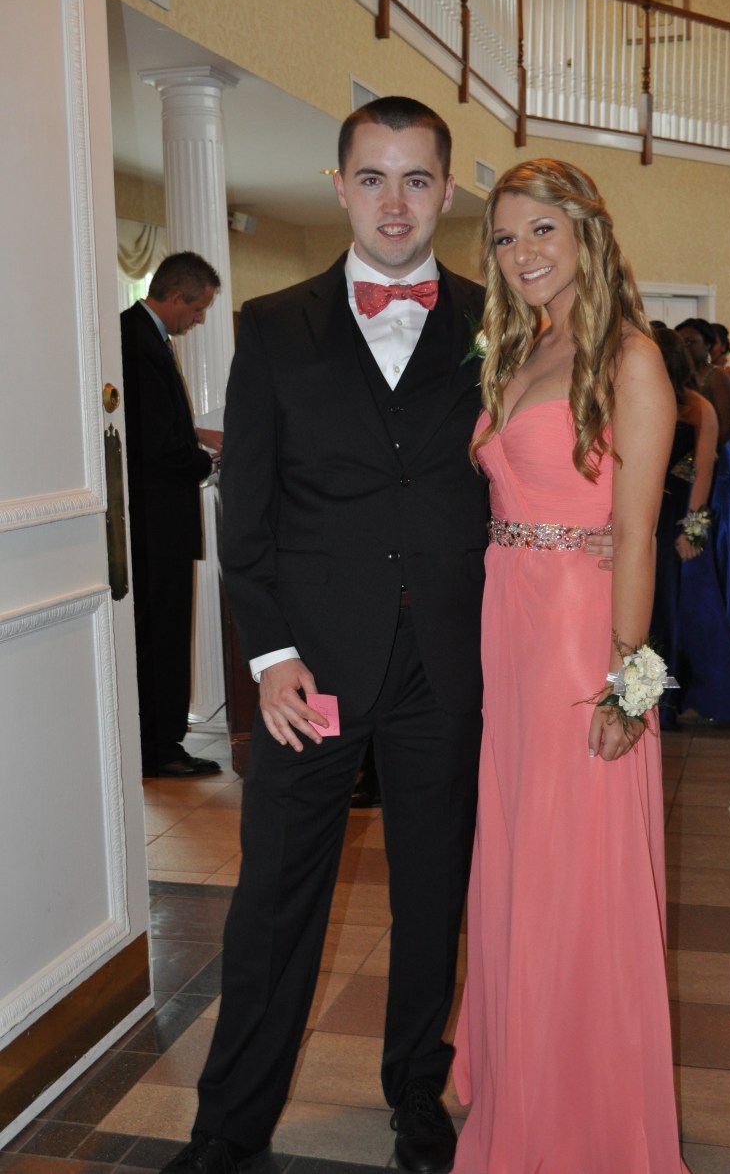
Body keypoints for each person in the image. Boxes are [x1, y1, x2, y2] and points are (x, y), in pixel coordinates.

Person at [161, 97, 613, 1174]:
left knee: (431, 896)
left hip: (451, 666)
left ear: (447, 191)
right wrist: (269, 656)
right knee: (274, 901)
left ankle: (416, 1092)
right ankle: (228, 1124)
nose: (395, 201)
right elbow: (246, 510)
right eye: (372, 177)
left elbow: (551, 452)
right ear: (339, 188)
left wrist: (600, 535)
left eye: (416, 179)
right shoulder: (272, 324)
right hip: (309, 673)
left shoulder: (500, 320)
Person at [451, 159, 689, 1172]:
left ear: (587, 232)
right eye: (505, 237)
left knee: (571, 876)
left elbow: (636, 536)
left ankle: (580, 1113)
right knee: (517, 860)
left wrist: (630, 690)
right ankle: (519, 1076)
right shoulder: (523, 344)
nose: (522, 253)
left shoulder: (630, 357)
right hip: (509, 630)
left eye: (541, 229)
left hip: (578, 643)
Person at [121, 251, 223, 778]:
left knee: (163, 632)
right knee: (161, 635)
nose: (199, 319)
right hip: (155, 524)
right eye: (198, 308)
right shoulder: (136, 339)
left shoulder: (142, 334)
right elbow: (154, 442)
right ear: (178, 296)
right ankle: (159, 746)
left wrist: (198, 436)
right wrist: (207, 460)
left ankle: (161, 741)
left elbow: (161, 423)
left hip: (158, 522)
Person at [650, 327, 730, 726]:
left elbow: (704, 472)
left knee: (678, 608)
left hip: (676, 515)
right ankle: (637, 697)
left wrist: (691, 529)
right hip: (643, 513)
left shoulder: (698, 407)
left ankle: (668, 702)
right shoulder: (636, 400)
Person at [676, 317, 730, 643]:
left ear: (708, 345)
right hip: (689, 466)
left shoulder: (718, 376)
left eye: (692, 341)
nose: (687, 346)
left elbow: (726, 429)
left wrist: (691, 462)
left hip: (717, 463)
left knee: (716, 531)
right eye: (682, 342)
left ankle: (725, 612)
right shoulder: (679, 379)